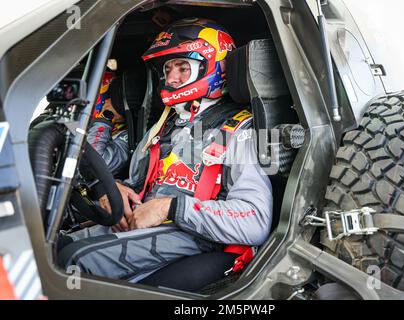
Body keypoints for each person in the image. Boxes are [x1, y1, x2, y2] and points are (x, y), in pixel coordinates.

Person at [58, 18, 273, 284]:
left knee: (72, 264)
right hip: (145, 226)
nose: (171, 78)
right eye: (168, 68)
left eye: (183, 68)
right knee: (52, 246)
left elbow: (255, 221)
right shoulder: (164, 126)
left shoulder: (242, 131)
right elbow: (138, 185)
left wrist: (169, 209)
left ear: (214, 67)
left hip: (195, 236)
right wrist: (115, 190)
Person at [87, 71, 129, 177]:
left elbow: (93, 166)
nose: (107, 101)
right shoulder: (80, 122)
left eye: (111, 97)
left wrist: (105, 118)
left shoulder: (126, 136)